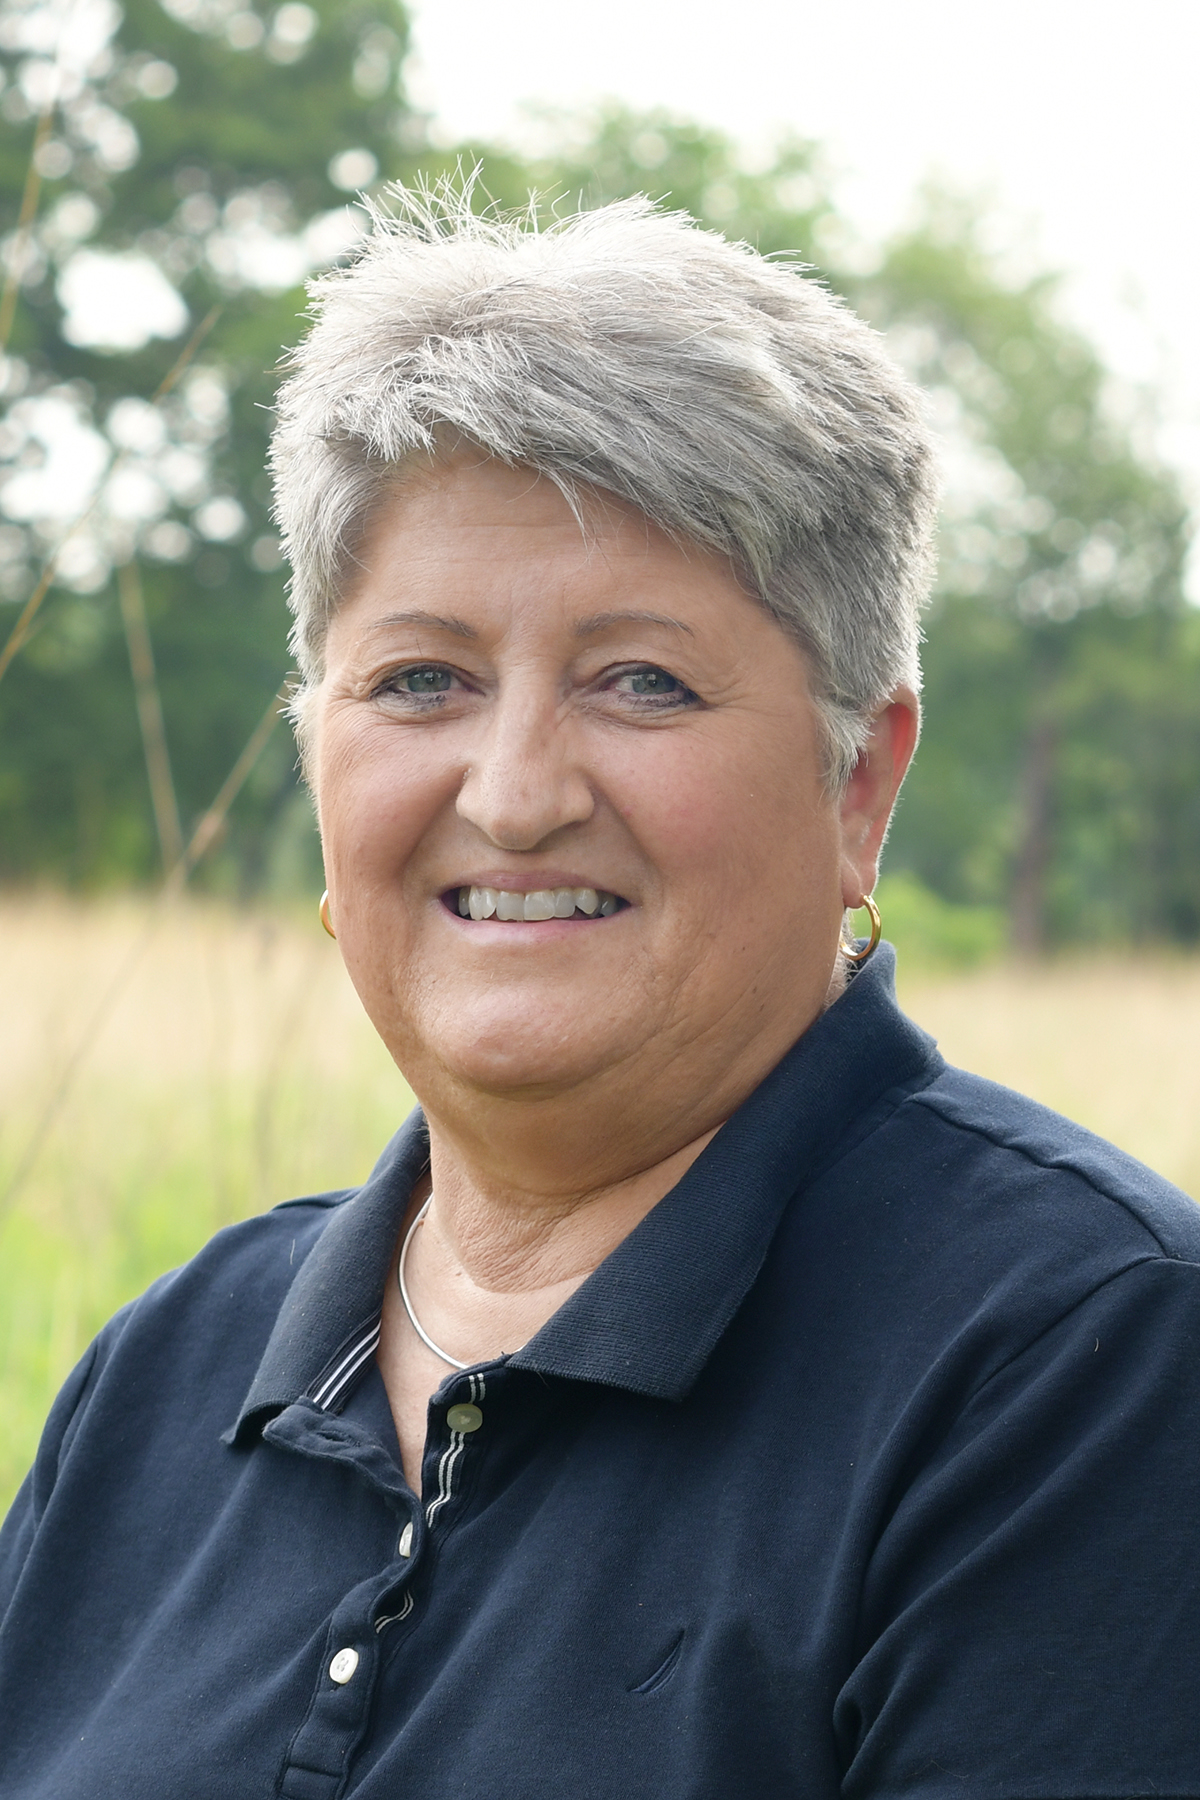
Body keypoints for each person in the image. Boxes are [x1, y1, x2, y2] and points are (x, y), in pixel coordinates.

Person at [2, 190, 1199, 1800]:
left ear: (862, 786)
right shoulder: (170, 1366)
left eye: (643, 679)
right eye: (421, 678)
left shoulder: (1083, 1363)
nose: (511, 792)